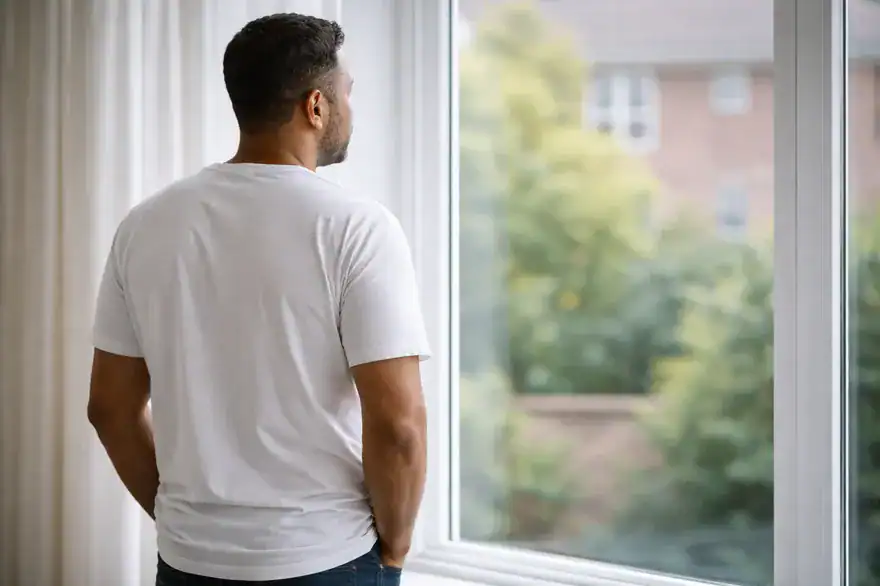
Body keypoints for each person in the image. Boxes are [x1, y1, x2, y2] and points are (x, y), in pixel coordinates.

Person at [86, 12, 429, 586]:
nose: (351, 107)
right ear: (316, 106)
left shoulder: (145, 225)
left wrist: (186, 524)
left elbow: (109, 409)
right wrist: (394, 550)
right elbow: (398, 425)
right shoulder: (356, 228)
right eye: (347, 92)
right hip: (324, 561)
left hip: (187, 562)